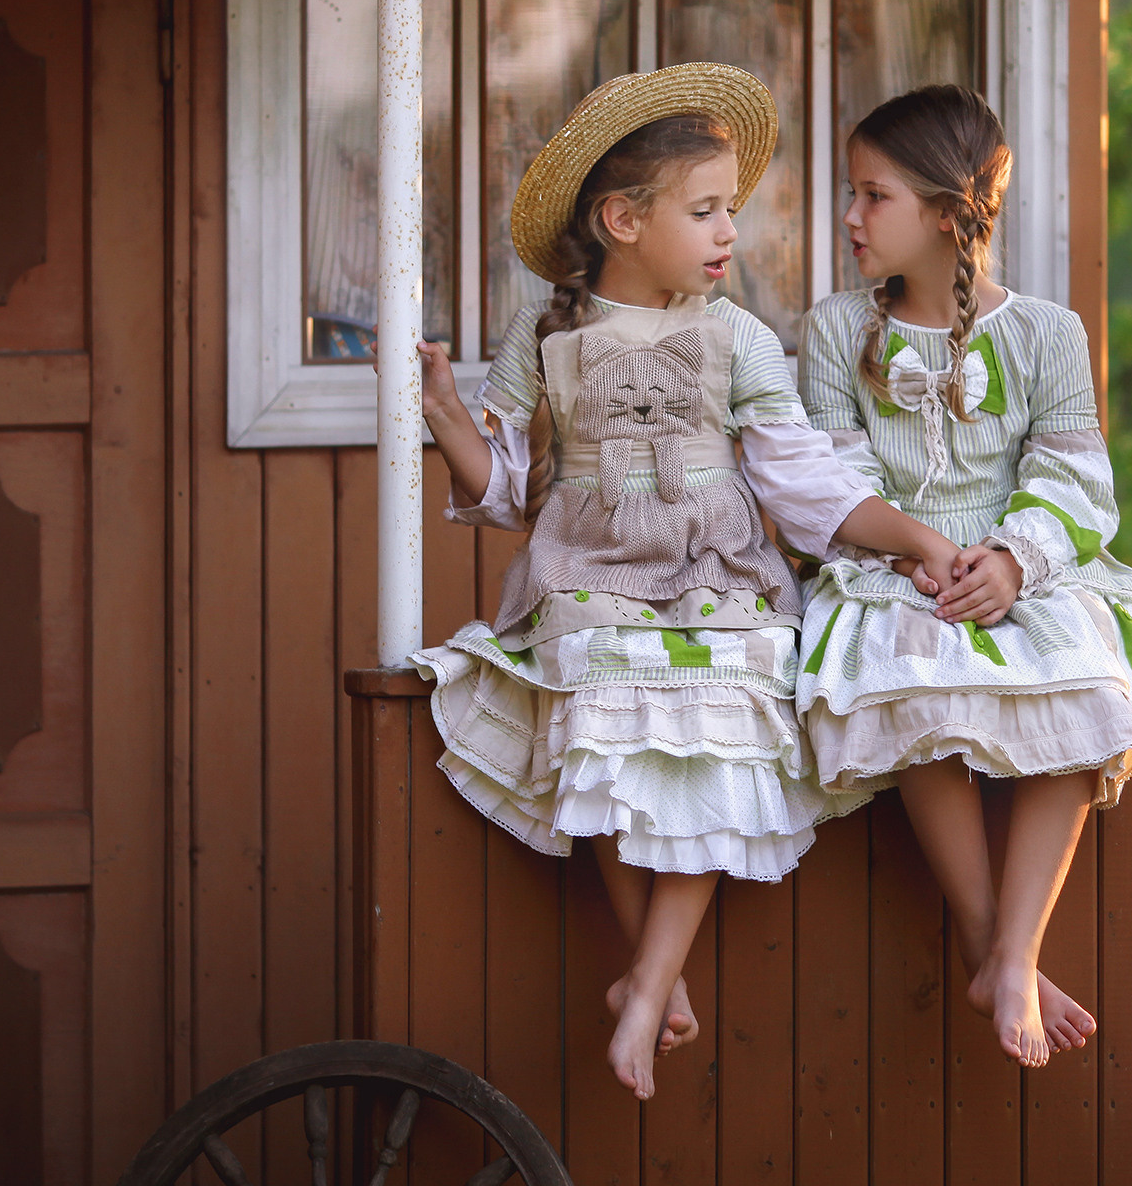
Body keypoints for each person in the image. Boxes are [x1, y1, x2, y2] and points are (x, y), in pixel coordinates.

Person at [407, 63, 962, 1099]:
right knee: (609, 722)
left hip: (715, 575)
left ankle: (652, 976)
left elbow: (804, 481)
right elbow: (504, 489)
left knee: (726, 707)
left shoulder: (739, 337)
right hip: (590, 577)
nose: (728, 236)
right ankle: (653, 975)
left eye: (730, 212)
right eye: (705, 211)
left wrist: (917, 538)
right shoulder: (551, 338)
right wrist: (445, 415)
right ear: (622, 218)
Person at [795, 84, 1132, 1068]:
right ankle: (992, 944)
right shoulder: (836, 331)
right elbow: (835, 475)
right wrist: (919, 548)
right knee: (912, 670)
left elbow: (1076, 479)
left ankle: (1012, 950)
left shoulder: (1048, 333)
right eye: (853, 193)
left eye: (872, 195)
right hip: (894, 563)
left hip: (1018, 563)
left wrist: (1012, 558)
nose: (850, 216)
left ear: (947, 216)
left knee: (1085, 676)